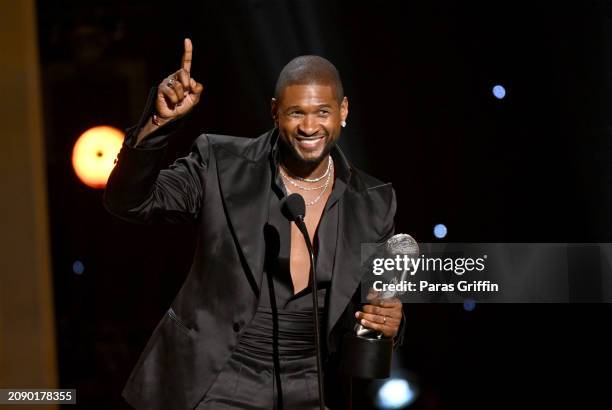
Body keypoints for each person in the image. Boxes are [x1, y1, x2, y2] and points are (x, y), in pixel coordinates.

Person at [104, 38, 405, 410]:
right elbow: (130, 202)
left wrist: (390, 321)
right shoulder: (220, 163)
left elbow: (373, 303)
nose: (309, 127)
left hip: (313, 384)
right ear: (275, 112)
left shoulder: (374, 201)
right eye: (296, 113)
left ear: (343, 111)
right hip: (218, 377)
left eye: (322, 112)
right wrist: (158, 123)